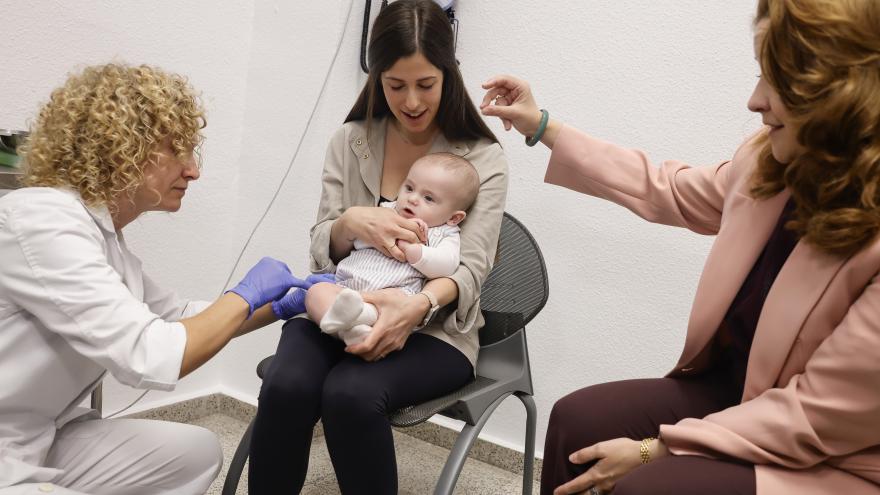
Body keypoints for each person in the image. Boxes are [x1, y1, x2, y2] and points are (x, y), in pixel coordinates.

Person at [481, 0, 880, 494]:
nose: (754, 101)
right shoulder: (768, 165)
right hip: (737, 397)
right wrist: (540, 125)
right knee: (575, 423)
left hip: (834, 458)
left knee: (645, 486)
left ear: (842, 92)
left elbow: (815, 414)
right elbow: (665, 187)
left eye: (777, 80)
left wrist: (658, 449)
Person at [0, 63, 317, 495]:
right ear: (121, 146)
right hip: (7, 448)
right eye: (178, 150)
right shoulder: (40, 219)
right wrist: (244, 296)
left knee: (195, 453)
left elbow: (177, 318)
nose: (193, 170)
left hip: (37, 438)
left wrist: (278, 304)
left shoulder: (105, 239)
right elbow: (148, 354)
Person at [247, 0, 509, 493]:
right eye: (395, 85)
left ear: (449, 74)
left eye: (426, 84)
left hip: (434, 331)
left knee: (350, 393)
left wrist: (418, 305)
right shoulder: (351, 142)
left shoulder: (482, 157)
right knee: (287, 384)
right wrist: (350, 223)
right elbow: (321, 250)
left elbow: (472, 268)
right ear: (376, 78)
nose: (411, 100)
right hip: (342, 307)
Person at [306, 152, 480, 346]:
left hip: (393, 298)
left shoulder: (445, 233)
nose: (412, 199)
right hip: (346, 288)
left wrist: (415, 251)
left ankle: (357, 322)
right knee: (316, 292)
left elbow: (447, 266)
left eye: (428, 198)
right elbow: (358, 241)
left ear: (454, 217)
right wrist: (374, 234)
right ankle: (351, 332)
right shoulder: (385, 211)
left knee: (376, 308)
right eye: (409, 188)